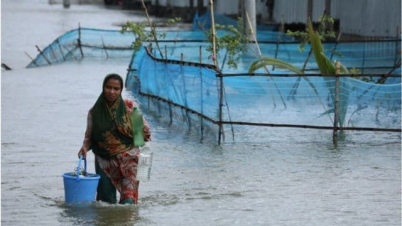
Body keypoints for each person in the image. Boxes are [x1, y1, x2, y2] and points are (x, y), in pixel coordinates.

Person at [78, 73, 151, 204]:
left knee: (128, 202)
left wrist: (135, 133)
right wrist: (84, 147)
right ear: (103, 88)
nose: (111, 92)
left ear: (120, 90)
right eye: (108, 87)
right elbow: (89, 137)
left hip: (129, 160)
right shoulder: (94, 112)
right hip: (104, 161)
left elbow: (144, 133)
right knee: (106, 202)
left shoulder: (129, 108)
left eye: (116, 89)